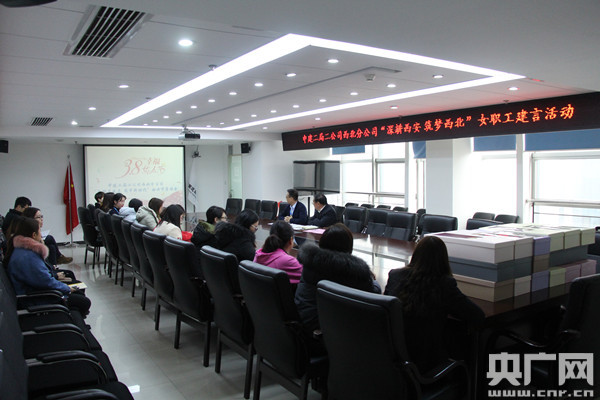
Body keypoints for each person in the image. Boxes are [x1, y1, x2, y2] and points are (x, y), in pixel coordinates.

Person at [384, 235, 484, 373]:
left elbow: (386, 305)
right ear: (443, 260)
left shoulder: (395, 275)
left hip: (393, 360)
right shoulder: (444, 284)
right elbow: (477, 315)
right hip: (426, 364)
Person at [295, 223, 381, 333]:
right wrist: (371, 278)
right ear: (349, 249)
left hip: (305, 324)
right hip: (329, 332)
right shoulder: (352, 273)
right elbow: (375, 292)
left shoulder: (310, 263)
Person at [4, 217, 91, 315]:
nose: (41, 234)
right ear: (34, 235)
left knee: (78, 295)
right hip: (37, 299)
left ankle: (72, 316)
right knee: (84, 302)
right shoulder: (27, 257)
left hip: (37, 293)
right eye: (39, 231)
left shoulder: (23, 250)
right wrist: (66, 288)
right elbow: (45, 281)